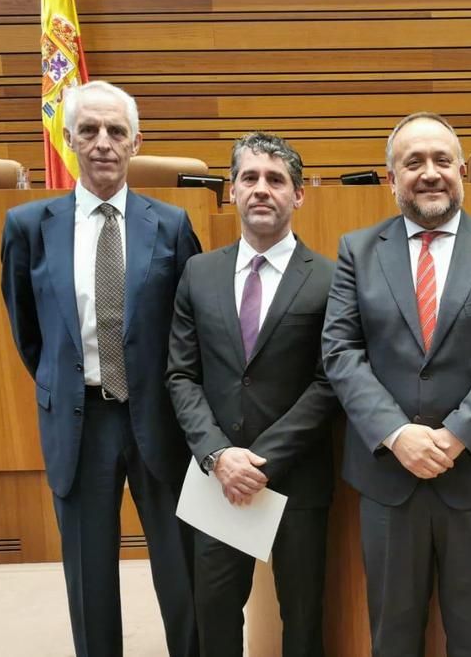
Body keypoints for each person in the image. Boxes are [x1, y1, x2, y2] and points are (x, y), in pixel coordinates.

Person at [321, 111, 471, 657]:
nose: (429, 173)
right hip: (389, 479)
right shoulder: (357, 250)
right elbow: (341, 351)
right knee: (393, 638)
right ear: (391, 176)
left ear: (463, 169)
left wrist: (456, 434)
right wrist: (398, 434)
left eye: (442, 160)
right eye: (412, 162)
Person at [0, 80, 200, 657]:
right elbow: (29, 334)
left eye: (116, 131)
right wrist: (68, 382)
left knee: (179, 568)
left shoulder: (170, 224)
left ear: (136, 142)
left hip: (157, 418)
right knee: (88, 577)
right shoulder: (29, 227)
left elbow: (186, 330)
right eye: (88, 130)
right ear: (68, 141)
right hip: (80, 419)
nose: (103, 142)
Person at [166, 131, 337, 657]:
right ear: (233, 191)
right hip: (219, 477)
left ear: (298, 194)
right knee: (215, 614)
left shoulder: (330, 278)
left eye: (276, 179)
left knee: (303, 617)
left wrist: (260, 460)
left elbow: (329, 381)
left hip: (296, 477)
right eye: (250, 178)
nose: (262, 189)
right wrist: (219, 455)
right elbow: (181, 375)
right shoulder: (199, 272)